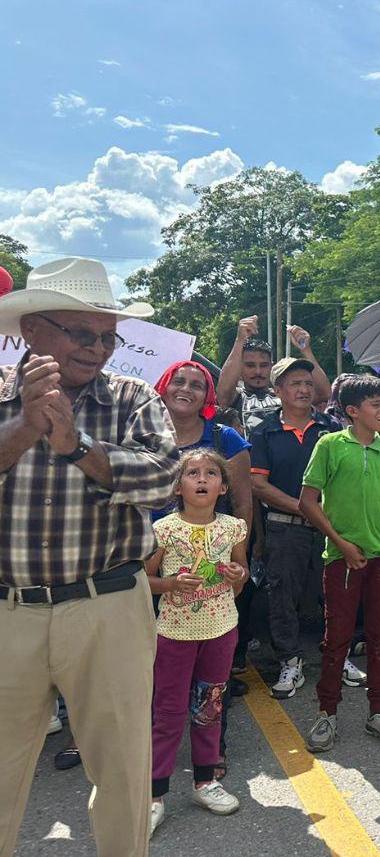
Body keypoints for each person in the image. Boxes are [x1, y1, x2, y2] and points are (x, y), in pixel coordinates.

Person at [0, 257, 179, 857]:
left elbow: (161, 481)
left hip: (110, 607)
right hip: (8, 611)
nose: (99, 349)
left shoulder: (133, 398)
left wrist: (75, 445)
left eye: (108, 337)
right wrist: (25, 429)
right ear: (32, 331)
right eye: (82, 333)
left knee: (124, 775)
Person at [298, 375, 380, 752]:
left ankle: (379, 711)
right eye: (375, 405)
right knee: (337, 640)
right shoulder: (330, 445)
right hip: (343, 559)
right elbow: (308, 502)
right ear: (351, 411)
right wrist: (341, 543)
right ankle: (327, 713)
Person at [146, 450, 249, 836]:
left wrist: (237, 572)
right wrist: (170, 585)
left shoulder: (233, 528)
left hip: (221, 630)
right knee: (169, 712)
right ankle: (155, 794)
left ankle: (205, 781)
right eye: (192, 473)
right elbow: (144, 579)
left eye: (210, 474)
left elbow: (242, 574)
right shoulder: (165, 530)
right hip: (174, 634)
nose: (202, 479)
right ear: (178, 485)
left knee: (210, 706)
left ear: (223, 487)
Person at [249, 357, 350, 698]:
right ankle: (289, 661)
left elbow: (345, 477)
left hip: (330, 528)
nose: (304, 389)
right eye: (295, 383)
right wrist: (306, 509)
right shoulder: (264, 432)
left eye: (308, 383)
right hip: (284, 527)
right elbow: (259, 486)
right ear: (278, 391)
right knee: (283, 597)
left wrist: (322, 516)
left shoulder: (330, 429)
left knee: (335, 593)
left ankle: (340, 655)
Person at [153, 361, 253, 530]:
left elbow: (242, 506)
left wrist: (239, 554)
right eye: (178, 382)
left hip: (210, 550)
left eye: (196, 385)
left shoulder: (226, 438)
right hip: (146, 548)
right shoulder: (139, 435)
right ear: (163, 388)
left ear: (207, 396)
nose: (186, 389)